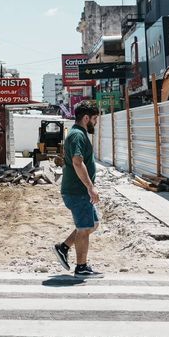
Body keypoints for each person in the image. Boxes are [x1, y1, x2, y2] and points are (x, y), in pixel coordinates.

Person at [51, 100, 102, 277]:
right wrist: (90, 187)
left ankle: (63, 247)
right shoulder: (77, 135)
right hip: (77, 191)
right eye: (94, 118)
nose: (95, 122)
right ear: (86, 117)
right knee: (84, 228)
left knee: (92, 224)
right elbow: (77, 162)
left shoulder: (78, 133)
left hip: (78, 191)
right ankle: (81, 267)